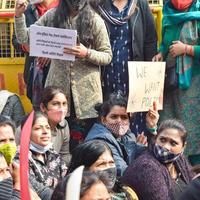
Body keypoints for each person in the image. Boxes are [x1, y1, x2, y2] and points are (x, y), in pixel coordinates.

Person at [14, 0, 112, 142]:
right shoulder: (52, 16)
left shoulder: (94, 19)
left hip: (87, 98)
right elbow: (25, 38)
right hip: (57, 95)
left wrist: (87, 53)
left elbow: (107, 55)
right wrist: (18, 16)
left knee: (86, 145)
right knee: (56, 143)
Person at [91, 0, 157, 135]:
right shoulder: (98, 5)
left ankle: (135, 151)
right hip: (105, 74)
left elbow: (150, 40)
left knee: (134, 118)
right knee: (109, 115)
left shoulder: (140, 5)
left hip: (133, 76)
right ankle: (110, 151)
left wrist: (148, 75)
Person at [152, 0, 200, 164]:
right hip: (171, 85)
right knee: (169, 125)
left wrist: (187, 49)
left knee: (193, 131)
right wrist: (161, 53)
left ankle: (193, 172)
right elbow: (166, 43)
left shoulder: (198, 14)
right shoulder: (167, 14)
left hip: (194, 86)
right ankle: (171, 168)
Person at [85, 93, 159, 176]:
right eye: (114, 117)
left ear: (129, 120)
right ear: (103, 120)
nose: (119, 121)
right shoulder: (101, 140)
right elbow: (122, 171)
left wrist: (152, 128)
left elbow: (154, 154)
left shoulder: (127, 136)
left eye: (124, 117)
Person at [122, 119, 195, 200]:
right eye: (162, 140)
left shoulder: (179, 159)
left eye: (173, 143)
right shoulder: (147, 167)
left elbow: (195, 185)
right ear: (156, 139)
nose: (166, 147)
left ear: (183, 147)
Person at [53, 140, 139, 200]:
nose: (109, 168)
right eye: (102, 164)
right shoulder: (72, 192)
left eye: (111, 162)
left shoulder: (127, 192)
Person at [12, 0, 59, 109]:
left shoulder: (64, 8)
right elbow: (16, 39)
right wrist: (26, 46)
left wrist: (50, 52)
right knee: (39, 112)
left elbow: (72, 40)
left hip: (59, 74)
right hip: (34, 74)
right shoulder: (26, 9)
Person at [16, 111, 67, 200]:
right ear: (27, 132)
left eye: (47, 128)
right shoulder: (20, 158)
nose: (45, 132)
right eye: (38, 128)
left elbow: (66, 180)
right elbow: (34, 190)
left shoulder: (53, 154)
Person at [15, 86, 71, 165]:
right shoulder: (27, 127)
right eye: (55, 104)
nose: (61, 109)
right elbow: (16, 159)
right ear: (43, 107)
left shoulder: (63, 125)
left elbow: (64, 155)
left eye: (64, 104)